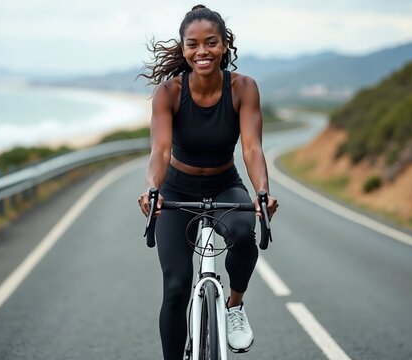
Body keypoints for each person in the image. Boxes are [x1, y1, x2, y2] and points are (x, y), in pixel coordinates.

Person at [137, 5, 278, 359]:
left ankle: (234, 306)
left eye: (211, 42)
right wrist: (153, 188)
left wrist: (262, 193)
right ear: (184, 49)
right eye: (193, 44)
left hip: (224, 184)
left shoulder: (243, 88)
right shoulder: (168, 93)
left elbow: (252, 147)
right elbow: (160, 151)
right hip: (176, 190)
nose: (202, 51)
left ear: (225, 44)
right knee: (176, 287)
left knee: (245, 234)